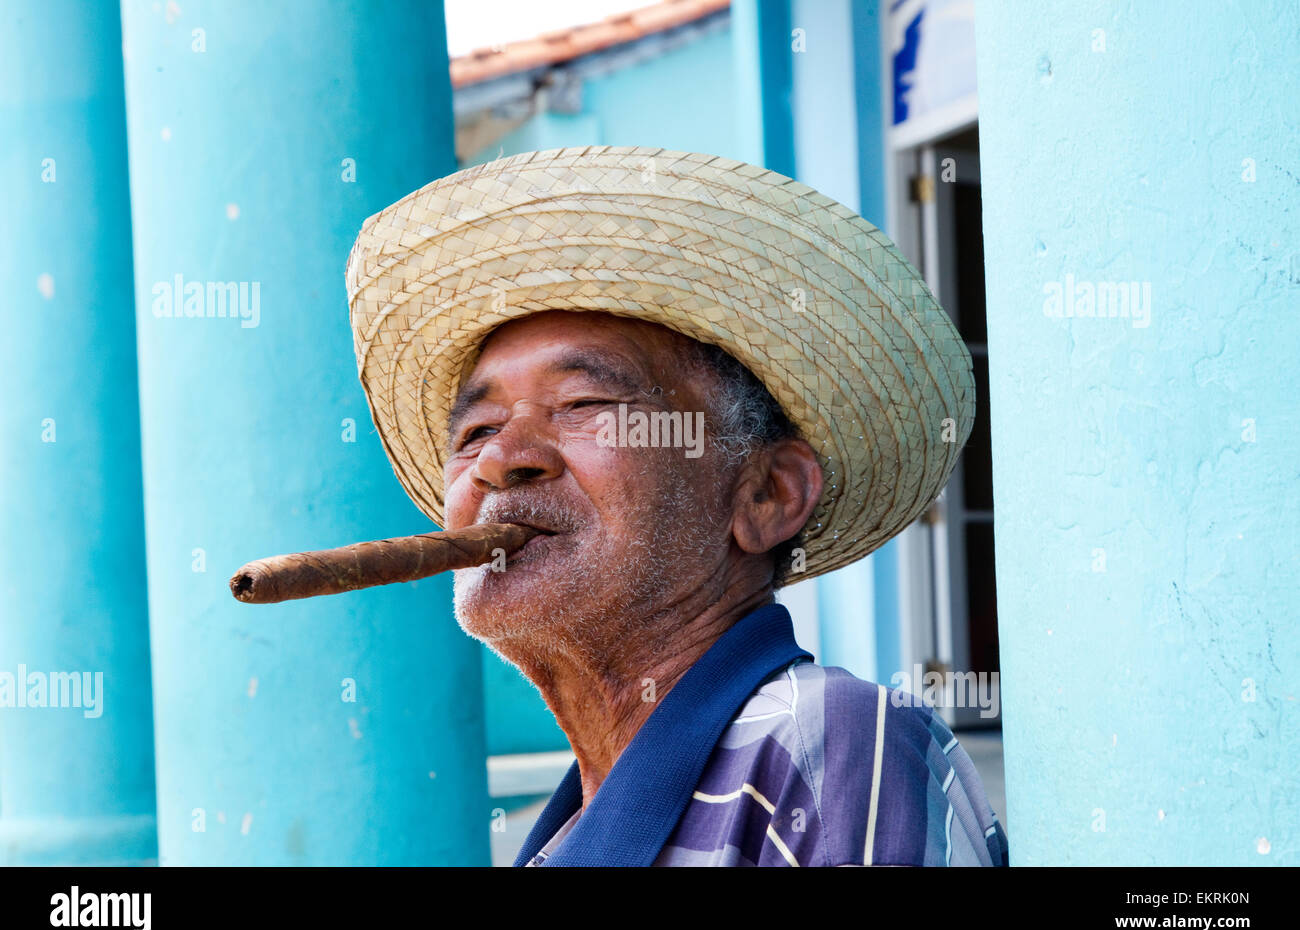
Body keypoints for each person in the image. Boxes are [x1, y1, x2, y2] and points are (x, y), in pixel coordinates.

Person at [345, 146, 1008, 866]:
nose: (504, 459)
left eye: (582, 402)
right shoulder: (562, 834)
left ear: (766, 495)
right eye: (476, 432)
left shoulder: (825, 745)